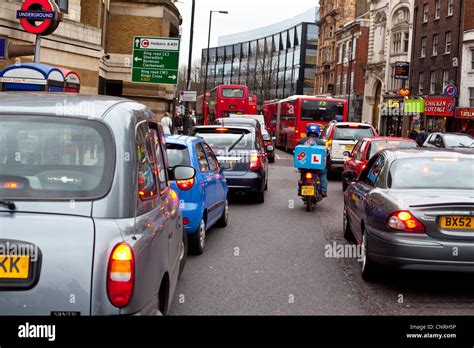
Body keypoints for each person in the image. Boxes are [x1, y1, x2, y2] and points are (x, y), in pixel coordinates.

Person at [296, 123, 328, 198]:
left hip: (304, 166)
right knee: (323, 173)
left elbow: (296, 152)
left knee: (302, 175)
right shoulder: (321, 143)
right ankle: (323, 190)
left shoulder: (301, 141)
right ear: (318, 132)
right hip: (317, 167)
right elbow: (325, 154)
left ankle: (300, 189)